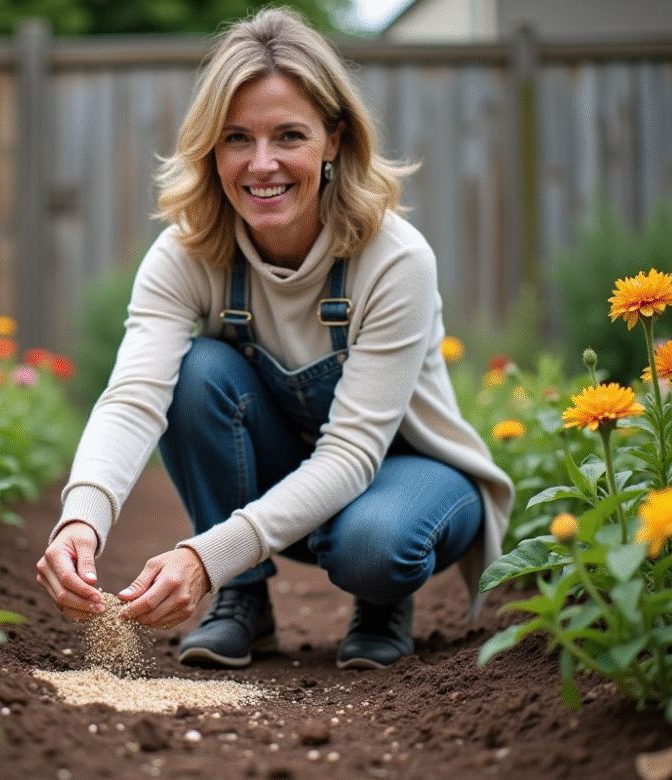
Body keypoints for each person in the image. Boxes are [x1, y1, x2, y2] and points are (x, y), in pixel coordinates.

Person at [36, 6, 513, 670]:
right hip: (294, 471)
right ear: (212, 147)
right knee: (194, 371)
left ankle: (380, 602)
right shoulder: (187, 255)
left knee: (372, 545)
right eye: (237, 138)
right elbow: (134, 396)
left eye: (289, 135)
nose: (262, 165)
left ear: (334, 141)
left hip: (412, 475)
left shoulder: (395, 260)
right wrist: (80, 519)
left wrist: (203, 554)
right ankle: (244, 601)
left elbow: (351, 455)